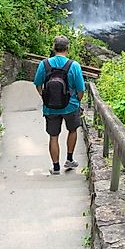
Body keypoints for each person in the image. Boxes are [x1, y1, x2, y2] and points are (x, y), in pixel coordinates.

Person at [33, 35, 85, 175]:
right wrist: (77, 101)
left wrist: (44, 96)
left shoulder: (44, 64)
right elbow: (81, 90)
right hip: (71, 105)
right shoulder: (74, 65)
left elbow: (38, 84)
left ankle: (55, 167)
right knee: (72, 130)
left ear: (53, 48)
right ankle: (69, 159)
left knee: (53, 136)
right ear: (67, 48)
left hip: (50, 107)